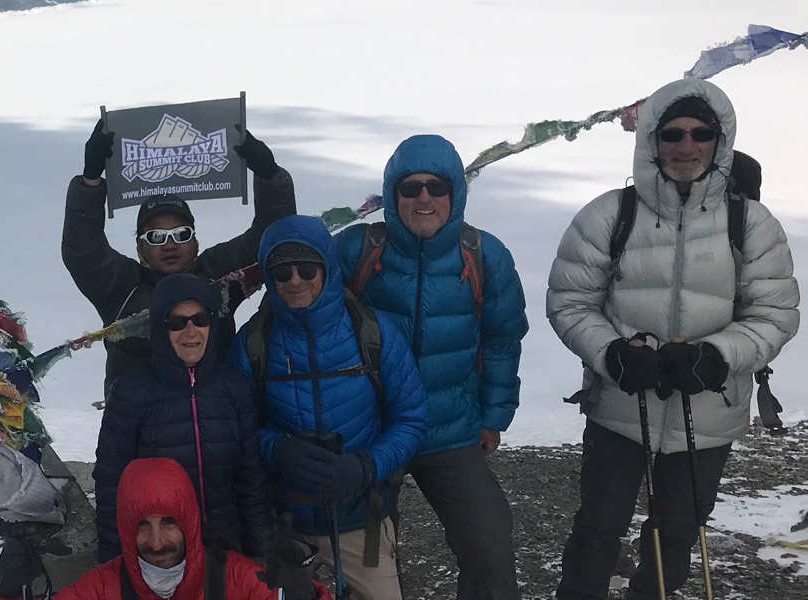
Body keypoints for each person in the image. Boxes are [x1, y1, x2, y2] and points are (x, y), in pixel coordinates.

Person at [546, 79, 799, 599]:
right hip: (619, 405)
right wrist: (610, 353)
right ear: (652, 141)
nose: (687, 146)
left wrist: (718, 356)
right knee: (597, 528)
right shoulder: (609, 215)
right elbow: (570, 302)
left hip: (707, 412)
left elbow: (775, 314)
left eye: (701, 133)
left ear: (719, 140)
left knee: (677, 535)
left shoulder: (750, 224)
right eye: (674, 133)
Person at [331, 135, 529, 599]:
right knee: (368, 560)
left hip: (452, 427)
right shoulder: (358, 251)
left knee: (490, 548)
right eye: (411, 186)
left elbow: (502, 338)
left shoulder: (484, 254)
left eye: (437, 187)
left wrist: (493, 417)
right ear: (392, 193)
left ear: (455, 192)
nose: (424, 197)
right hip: (373, 431)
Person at [232, 215, 428, 600]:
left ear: (327, 267)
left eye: (307, 268)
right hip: (287, 527)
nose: (295, 280)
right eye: (281, 271)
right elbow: (234, 427)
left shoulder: (372, 332)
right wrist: (277, 449)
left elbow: (412, 417)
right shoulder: (253, 344)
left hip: (361, 521)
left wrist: (366, 465)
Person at [64, 121, 298, 399]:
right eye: (156, 237)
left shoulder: (219, 275)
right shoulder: (120, 287)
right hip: (141, 431)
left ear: (196, 242)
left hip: (217, 424)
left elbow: (273, 239)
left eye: (180, 233)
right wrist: (89, 182)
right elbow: (83, 250)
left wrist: (269, 176)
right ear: (140, 247)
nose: (170, 244)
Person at [94, 273, 273, 565]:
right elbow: (111, 485)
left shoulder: (235, 389)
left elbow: (251, 481)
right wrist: (115, 566)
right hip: (158, 555)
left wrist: (260, 559)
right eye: (176, 322)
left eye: (200, 319)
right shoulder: (130, 393)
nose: (191, 331)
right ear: (159, 329)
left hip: (225, 552)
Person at [11, 457, 325, 600]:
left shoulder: (235, 580)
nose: (157, 543)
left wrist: (303, 594)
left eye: (169, 523)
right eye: (142, 526)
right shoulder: (103, 589)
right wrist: (7, 591)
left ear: (189, 522)